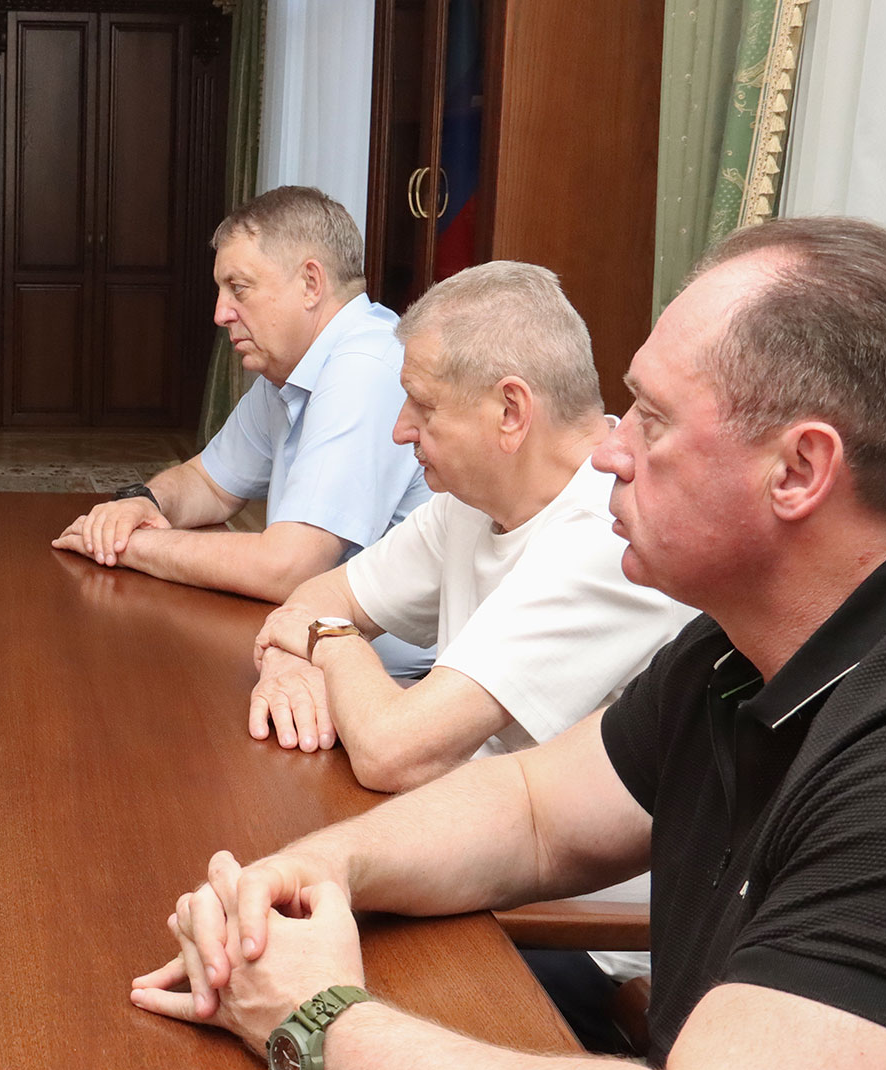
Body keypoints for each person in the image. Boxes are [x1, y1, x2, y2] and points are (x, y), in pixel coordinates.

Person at [131, 217, 886, 1070]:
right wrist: (316, 870)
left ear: (798, 470)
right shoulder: (729, 649)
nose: (608, 452)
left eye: (653, 420)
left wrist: (316, 1019)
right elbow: (533, 810)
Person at [248, 262, 694, 792]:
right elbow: (323, 595)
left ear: (510, 411)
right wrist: (287, 668)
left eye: (423, 405)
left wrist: (325, 640)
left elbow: (391, 751)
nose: (400, 430)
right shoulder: (474, 499)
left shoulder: (610, 536)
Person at [52, 188, 430, 670]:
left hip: (398, 685)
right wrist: (142, 503)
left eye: (239, 288)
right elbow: (209, 482)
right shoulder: (292, 368)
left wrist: (133, 546)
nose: (221, 313)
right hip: (310, 655)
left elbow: (289, 567)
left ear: (310, 283)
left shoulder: (366, 366)